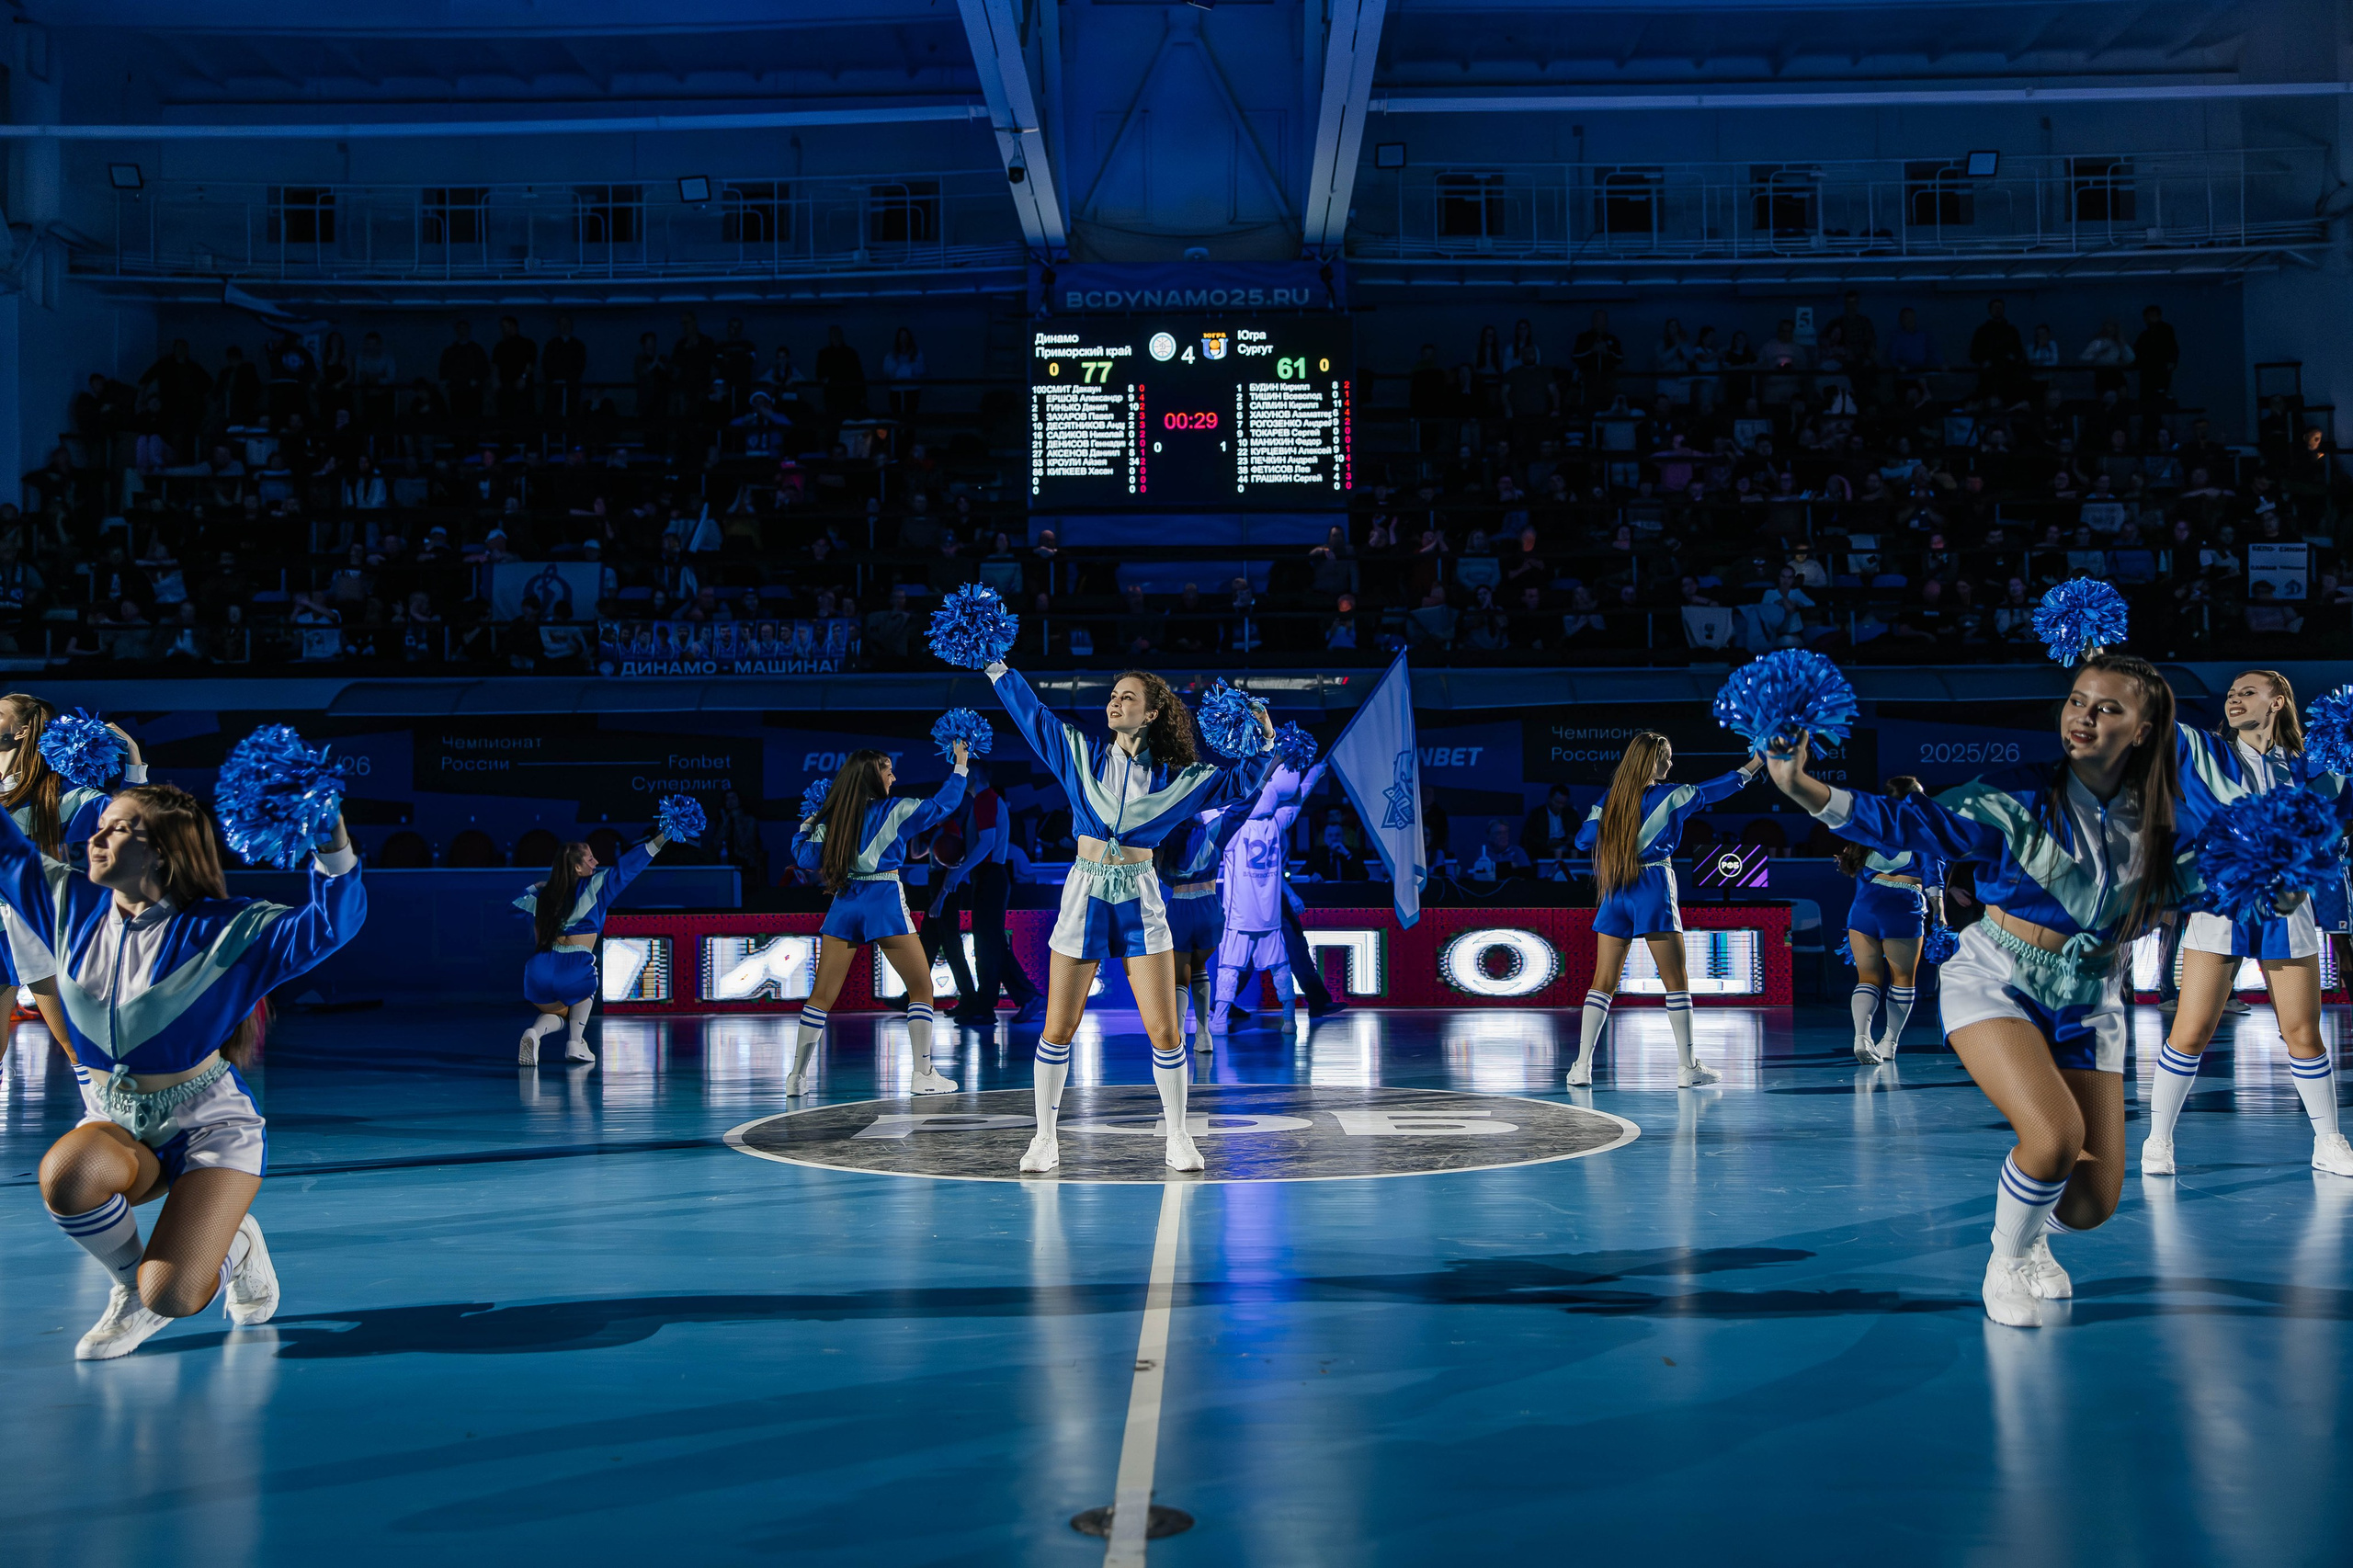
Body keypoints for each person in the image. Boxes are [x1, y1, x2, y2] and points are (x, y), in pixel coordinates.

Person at [1763, 653, 2188, 1328]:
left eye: (2107, 708)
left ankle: (2036, 1229)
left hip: (2092, 994)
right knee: (2052, 1138)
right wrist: (1802, 786)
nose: (2083, 716)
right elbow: (1909, 823)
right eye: (2077, 700)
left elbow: (2218, 879)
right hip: (1998, 976)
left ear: (2144, 729)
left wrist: (2273, 885)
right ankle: (2005, 1261)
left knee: (2090, 1204)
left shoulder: (2169, 818)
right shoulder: (2014, 794)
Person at [17, 782, 363, 1359]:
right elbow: (7, 852)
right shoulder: (64, 902)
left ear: (161, 853)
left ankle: (230, 1240)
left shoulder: (232, 929)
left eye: (119, 828)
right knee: (68, 1175)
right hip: (117, 1120)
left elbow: (331, 925)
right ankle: (129, 1286)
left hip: (208, 1128)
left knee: (174, 1295)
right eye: (101, 824)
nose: (96, 838)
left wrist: (332, 840)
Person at [985, 660, 1274, 1172]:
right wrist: (996, 667)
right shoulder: (1079, 755)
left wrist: (1265, 743)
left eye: (1127, 697)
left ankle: (1179, 1137)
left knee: (1165, 1031)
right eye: (1113, 696)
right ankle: (1045, 1140)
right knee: (1058, 1027)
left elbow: (1240, 785)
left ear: (1152, 713)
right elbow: (1032, 715)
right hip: (1085, 891)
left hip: (1142, 894)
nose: (1113, 703)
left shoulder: (1182, 779)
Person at [2146, 671, 2353, 1177]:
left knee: (2303, 1031)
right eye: (2232, 692)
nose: (2234, 698)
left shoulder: (2310, 769)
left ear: (2279, 701)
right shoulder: (2204, 750)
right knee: (2191, 1031)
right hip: (2222, 903)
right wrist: (2100, 655)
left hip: (2288, 907)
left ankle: (2329, 1140)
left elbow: (2334, 821)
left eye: (2249, 692)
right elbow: (2152, 713)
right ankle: (2158, 1139)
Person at [1567, 733, 1764, 1088]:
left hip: (1615, 889)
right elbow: (1715, 789)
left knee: (1603, 983)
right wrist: (1755, 764)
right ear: (1651, 762)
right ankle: (1688, 1068)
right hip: (1653, 886)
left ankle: (1581, 1066)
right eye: (1666, 758)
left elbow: (1583, 840)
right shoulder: (1673, 795)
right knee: (1676, 981)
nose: (1670, 765)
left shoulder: (1609, 799)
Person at [785, 744, 970, 1096]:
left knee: (822, 995)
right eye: (887, 770)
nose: (893, 776)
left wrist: (810, 820)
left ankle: (796, 1076)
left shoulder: (834, 818)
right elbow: (943, 805)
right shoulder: (896, 809)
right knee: (921, 988)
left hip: (846, 903)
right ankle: (923, 1073)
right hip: (884, 902)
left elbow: (804, 856)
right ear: (873, 776)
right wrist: (960, 765)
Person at [0, 699, 144, 1049]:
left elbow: (133, 820)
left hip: (35, 930)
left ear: (20, 731)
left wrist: (134, 759)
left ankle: (108, 1102)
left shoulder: (58, 797)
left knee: (79, 1047)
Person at [514, 824, 679, 1067]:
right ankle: (575, 1042)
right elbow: (628, 867)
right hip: (575, 966)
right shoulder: (595, 885)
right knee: (585, 984)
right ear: (577, 867)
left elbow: (514, 904)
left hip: (539, 969)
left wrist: (535, 887)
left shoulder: (546, 895)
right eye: (590, 858)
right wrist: (663, 837)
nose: (596, 862)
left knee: (559, 1012)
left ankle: (534, 1033)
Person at [1163, 767, 1288, 1052]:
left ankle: (1181, 1031)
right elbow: (1241, 809)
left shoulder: (1166, 838)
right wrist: (1265, 774)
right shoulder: (1213, 830)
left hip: (1180, 906)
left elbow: (1160, 871)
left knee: (1182, 972)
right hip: (1209, 908)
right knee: (1200, 970)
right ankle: (1204, 1032)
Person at [1201, 764, 1317, 1041]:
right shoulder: (1275, 825)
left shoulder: (1232, 828)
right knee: (1281, 967)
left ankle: (1218, 1021)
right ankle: (1289, 1019)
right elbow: (1297, 802)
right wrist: (1314, 774)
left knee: (1229, 968)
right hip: (1269, 917)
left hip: (1240, 916)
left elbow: (1205, 813)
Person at [1836, 777, 1941, 1062]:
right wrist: (1940, 911)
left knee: (1867, 977)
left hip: (1864, 907)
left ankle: (1861, 1036)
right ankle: (1889, 1043)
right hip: (1903, 906)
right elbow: (1933, 874)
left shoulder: (1869, 825)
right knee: (1903, 978)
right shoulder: (1922, 827)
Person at [951, 761, 1041, 1027]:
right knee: (991, 945)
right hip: (989, 876)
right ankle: (1022, 998)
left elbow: (987, 842)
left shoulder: (986, 799)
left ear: (974, 775)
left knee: (988, 946)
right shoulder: (986, 800)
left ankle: (988, 1006)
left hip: (990, 875)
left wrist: (959, 871)